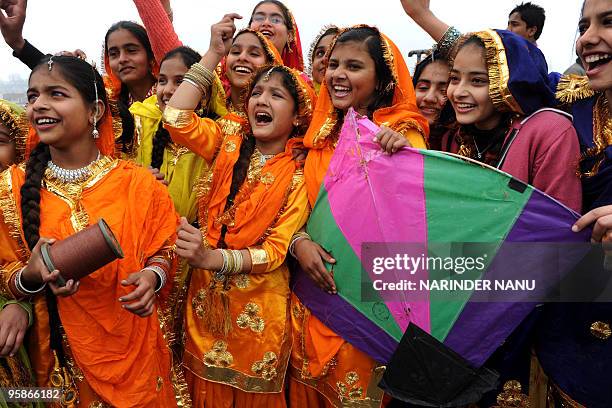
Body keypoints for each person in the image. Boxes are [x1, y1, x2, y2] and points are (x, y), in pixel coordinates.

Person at [0, 55, 184, 407]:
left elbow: (166, 249)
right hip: (58, 362)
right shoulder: (10, 188)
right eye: (33, 95)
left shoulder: (139, 183)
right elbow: (5, 271)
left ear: (95, 111)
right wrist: (30, 277)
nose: (39, 104)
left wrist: (152, 277)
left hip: (139, 353)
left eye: (56, 94)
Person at [288, 25, 428, 407]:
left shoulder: (401, 138)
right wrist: (298, 243)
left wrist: (400, 162)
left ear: (383, 79)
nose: (337, 74)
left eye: (353, 66)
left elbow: (414, 229)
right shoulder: (316, 142)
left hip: (368, 307)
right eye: (333, 64)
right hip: (310, 299)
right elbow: (294, 212)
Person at [164, 62, 314, 405]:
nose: (262, 99)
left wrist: (210, 257)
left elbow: (275, 252)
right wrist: (213, 53)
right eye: (257, 92)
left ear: (298, 116)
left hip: (258, 318)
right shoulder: (227, 143)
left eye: (276, 95)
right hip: (203, 303)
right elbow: (175, 117)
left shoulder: (299, 173)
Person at [537, 0, 612, 405]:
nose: (586, 38)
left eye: (609, 22)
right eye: (584, 25)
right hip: (573, 325)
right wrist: (421, 17)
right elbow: (510, 69)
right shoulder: (572, 103)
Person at [412, 50, 454, 149]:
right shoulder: (395, 131)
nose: (430, 98)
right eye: (423, 88)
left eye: (443, 90)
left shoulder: (464, 145)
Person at [248, 0, 305, 71]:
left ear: (289, 35)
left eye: (276, 20)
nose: (266, 23)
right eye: (259, 18)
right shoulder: (234, 69)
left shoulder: (298, 81)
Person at [307, 25, 339, 93]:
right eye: (320, 53)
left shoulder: (360, 102)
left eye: (332, 52)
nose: (325, 59)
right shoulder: (296, 100)